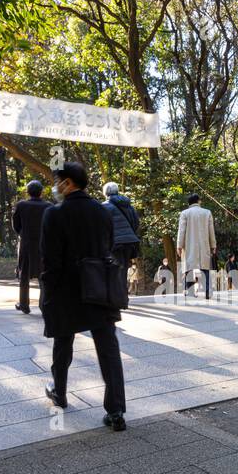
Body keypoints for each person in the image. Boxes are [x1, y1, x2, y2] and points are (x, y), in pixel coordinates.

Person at [40, 161, 126, 431]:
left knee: (63, 344)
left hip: (66, 288)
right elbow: (109, 245)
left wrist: (48, 292)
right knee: (108, 347)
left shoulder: (54, 214)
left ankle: (60, 394)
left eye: (58, 181)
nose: (55, 186)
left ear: (67, 183)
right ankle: (116, 411)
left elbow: (49, 258)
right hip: (98, 285)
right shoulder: (102, 212)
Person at [12, 180, 51, 314]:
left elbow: (16, 225)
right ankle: (43, 304)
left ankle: (24, 304)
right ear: (41, 192)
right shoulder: (48, 206)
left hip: (26, 244)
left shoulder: (21, 205)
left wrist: (23, 234)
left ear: (28, 192)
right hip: (44, 244)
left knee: (24, 275)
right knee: (44, 275)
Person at [176, 193, 216, 299]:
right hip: (204, 244)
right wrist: (213, 245)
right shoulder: (207, 213)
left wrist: (179, 245)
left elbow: (181, 231)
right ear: (198, 201)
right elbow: (211, 231)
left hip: (189, 245)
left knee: (189, 268)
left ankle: (189, 291)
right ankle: (208, 292)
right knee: (205, 268)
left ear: (189, 203)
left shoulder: (184, 213)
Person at [102, 181, 142, 266]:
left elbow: (102, 227)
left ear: (105, 193)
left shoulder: (104, 207)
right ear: (117, 191)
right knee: (124, 270)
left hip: (114, 243)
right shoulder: (128, 206)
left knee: (115, 270)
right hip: (130, 242)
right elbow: (136, 222)